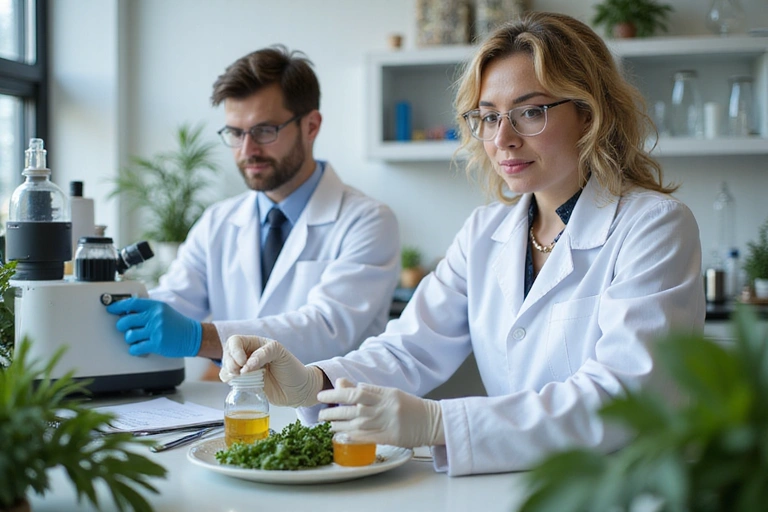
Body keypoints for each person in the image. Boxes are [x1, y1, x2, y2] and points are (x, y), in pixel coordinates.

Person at [219, 12, 705, 476]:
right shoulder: (484, 234)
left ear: (588, 113)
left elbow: (624, 396)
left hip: (623, 487)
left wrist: (439, 424)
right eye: (489, 117)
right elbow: (410, 350)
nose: (504, 139)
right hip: (510, 482)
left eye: (530, 112)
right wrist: (313, 383)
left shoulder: (654, 227)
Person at [107, 45, 400, 365]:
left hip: (328, 410)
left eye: (264, 131)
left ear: (311, 126)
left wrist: (198, 338)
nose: (248, 150)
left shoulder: (368, 221)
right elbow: (175, 301)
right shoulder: (217, 221)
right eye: (235, 132)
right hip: (239, 410)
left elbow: (326, 329)